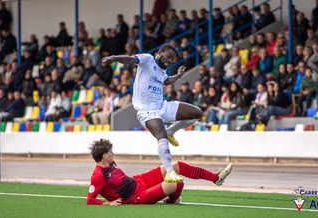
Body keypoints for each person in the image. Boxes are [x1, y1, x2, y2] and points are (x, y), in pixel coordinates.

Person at [102, 43, 202, 183]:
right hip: (146, 110)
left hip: (162, 106)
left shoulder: (162, 70)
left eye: (173, 59)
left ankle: (171, 131)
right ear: (160, 52)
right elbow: (131, 59)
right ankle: (170, 171)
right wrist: (114, 57)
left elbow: (167, 82)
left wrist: (179, 75)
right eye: (168, 57)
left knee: (197, 113)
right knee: (161, 134)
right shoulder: (148, 59)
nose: (170, 61)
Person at [86, 138, 233, 205]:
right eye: (110, 152)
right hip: (136, 197)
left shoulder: (109, 163)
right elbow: (90, 199)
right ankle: (171, 200)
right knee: (176, 184)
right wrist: (106, 203)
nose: (113, 153)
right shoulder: (98, 175)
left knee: (176, 166)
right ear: (104, 156)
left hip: (139, 180)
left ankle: (216, 178)